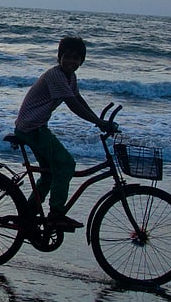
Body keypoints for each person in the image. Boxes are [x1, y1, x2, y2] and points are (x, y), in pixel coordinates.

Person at [14, 36, 117, 230]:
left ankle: (27, 214)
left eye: (76, 58)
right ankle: (56, 214)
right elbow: (72, 105)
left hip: (34, 127)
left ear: (81, 61)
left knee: (49, 174)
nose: (71, 61)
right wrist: (98, 122)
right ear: (59, 57)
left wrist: (98, 121)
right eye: (67, 57)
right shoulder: (56, 75)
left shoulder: (70, 77)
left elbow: (77, 98)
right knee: (66, 164)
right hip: (32, 128)